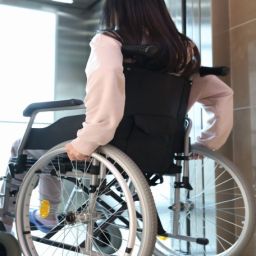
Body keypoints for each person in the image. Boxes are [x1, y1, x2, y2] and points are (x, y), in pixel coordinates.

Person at [3, 0, 233, 233]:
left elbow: (108, 80)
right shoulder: (183, 51)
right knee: (48, 150)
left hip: (111, 142)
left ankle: (23, 221)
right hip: (158, 145)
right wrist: (207, 142)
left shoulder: (110, 41)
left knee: (25, 147)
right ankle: (46, 215)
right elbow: (221, 93)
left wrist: (88, 140)